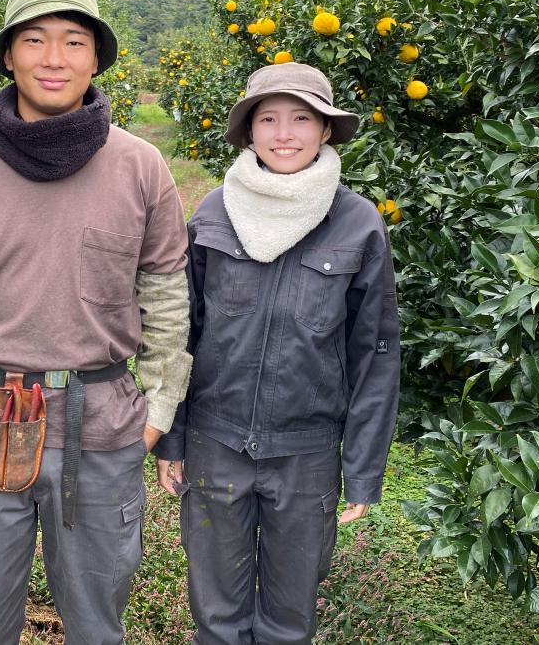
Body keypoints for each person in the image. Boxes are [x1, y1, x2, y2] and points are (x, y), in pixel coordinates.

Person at [0, 0, 192, 644]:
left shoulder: (141, 168)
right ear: (6, 55)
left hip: (102, 421)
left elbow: (168, 301)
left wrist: (158, 410)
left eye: (74, 41)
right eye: (35, 40)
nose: (54, 59)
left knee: (95, 619)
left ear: (96, 58)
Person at [153, 61, 401, 645]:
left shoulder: (358, 223)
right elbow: (180, 332)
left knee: (290, 618)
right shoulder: (215, 211)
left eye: (301, 119)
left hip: (307, 452)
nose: (284, 133)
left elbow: (376, 353)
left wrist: (362, 469)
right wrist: (172, 434)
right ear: (249, 131)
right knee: (214, 612)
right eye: (268, 119)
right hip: (217, 443)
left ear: (325, 131)